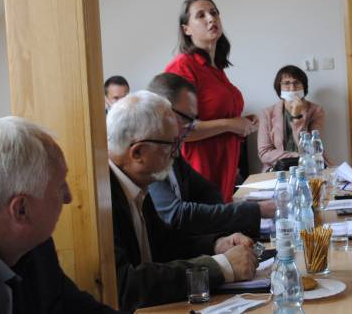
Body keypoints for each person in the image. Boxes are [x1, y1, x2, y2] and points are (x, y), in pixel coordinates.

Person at [0, 117, 120, 314]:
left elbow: (74, 307)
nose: (68, 197)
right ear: (21, 210)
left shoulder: (31, 240)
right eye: (60, 185)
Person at [107, 91, 258, 310]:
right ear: (137, 152)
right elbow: (126, 287)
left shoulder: (135, 182)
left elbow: (165, 246)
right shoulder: (103, 201)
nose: (176, 154)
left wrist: (217, 245)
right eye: (171, 145)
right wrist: (221, 266)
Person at [146, 73, 275, 237]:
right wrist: (254, 210)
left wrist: (219, 238)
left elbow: (209, 191)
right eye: (186, 119)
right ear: (161, 110)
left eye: (193, 120)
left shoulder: (172, 149)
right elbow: (176, 214)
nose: (190, 128)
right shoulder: (148, 155)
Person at [165, 0, 258, 202]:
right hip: (199, 173)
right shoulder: (182, 66)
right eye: (201, 15)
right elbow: (178, 130)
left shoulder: (216, 69)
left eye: (214, 13)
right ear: (186, 29)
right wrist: (230, 124)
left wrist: (242, 123)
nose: (211, 18)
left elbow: (216, 116)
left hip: (224, 173)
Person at [258, 65, 328, 171]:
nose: (292, 88)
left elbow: (312, 149)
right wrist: (297, 156)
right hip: (277, 169)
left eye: (297, 83)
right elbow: (264, 153)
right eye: (286, 83)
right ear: (279, 87)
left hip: (310, 167)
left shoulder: (316, 111)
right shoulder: (266, 113)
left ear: (304, 86)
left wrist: (297, 116)